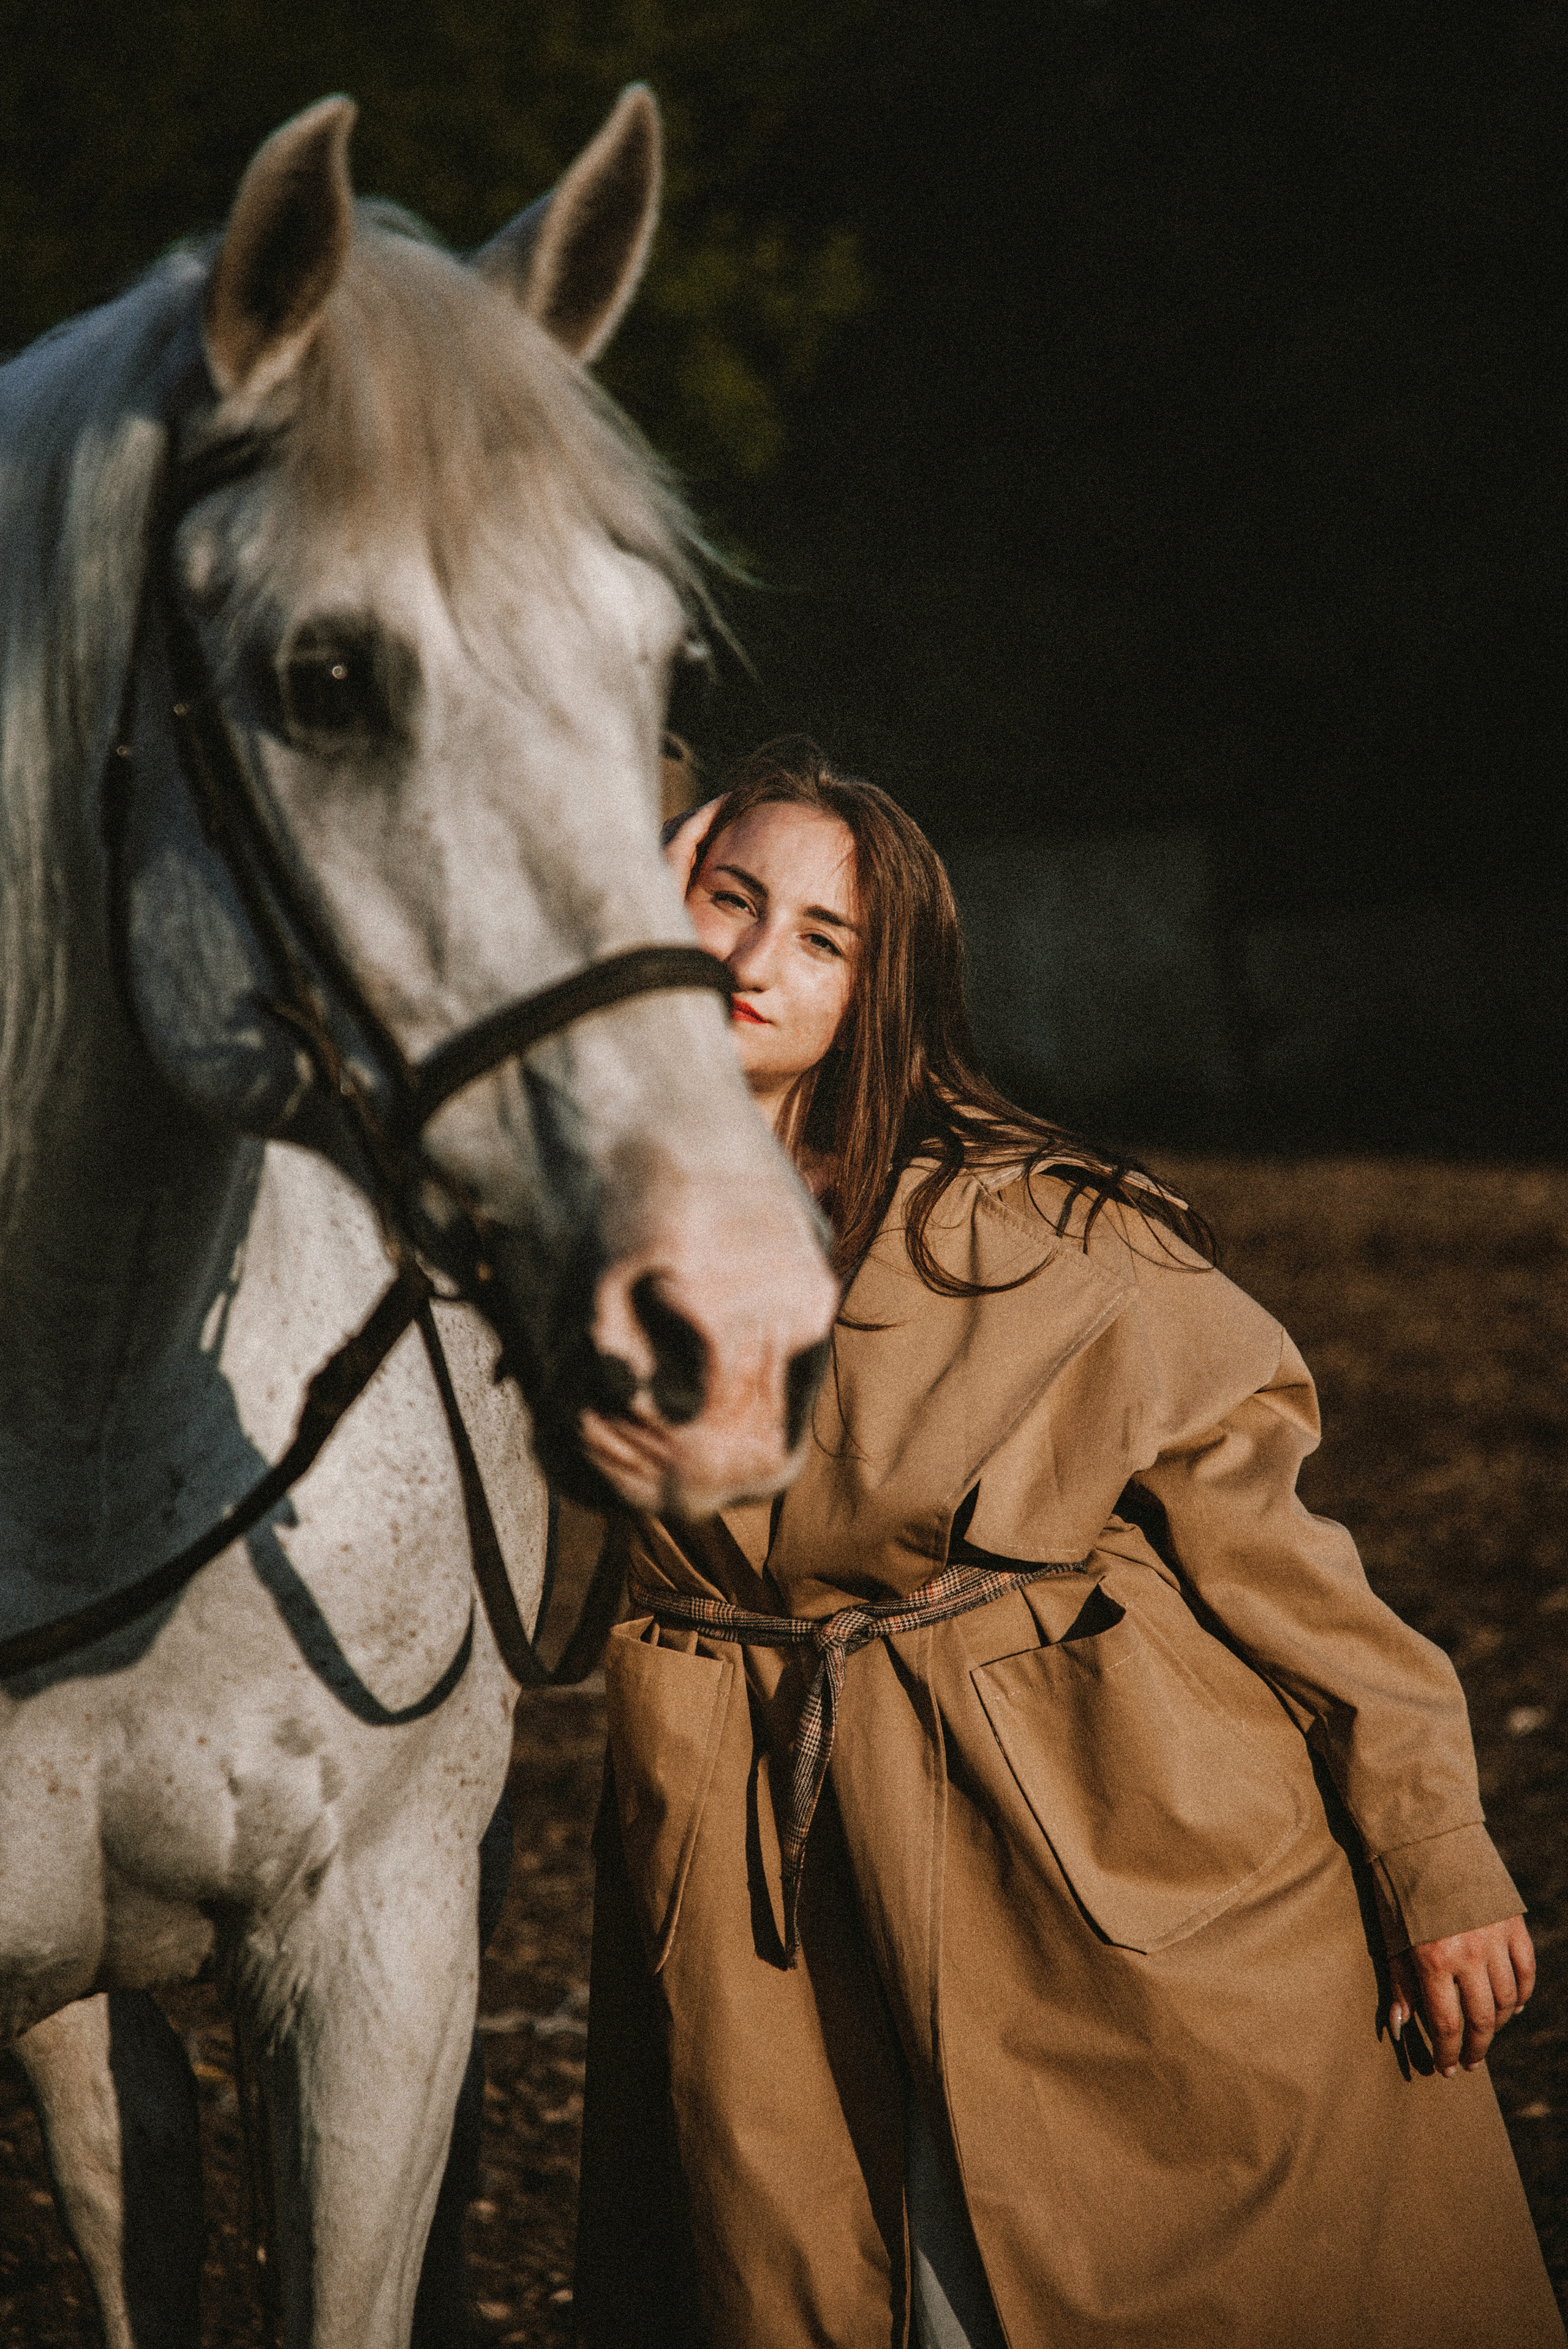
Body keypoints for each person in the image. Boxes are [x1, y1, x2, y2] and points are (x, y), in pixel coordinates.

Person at [572, 740, 1562, 2349]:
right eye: (725, 896)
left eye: (821, 938)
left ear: (879, 988)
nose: (755, 959)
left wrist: (1431, 1843)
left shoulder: (1038, 1229)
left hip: (1089, 1854)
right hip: (763, 1889)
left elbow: (1281, 1556)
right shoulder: (561, 1233)